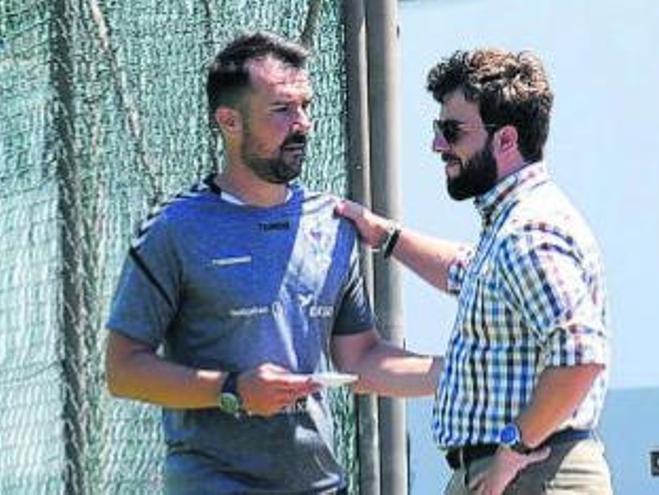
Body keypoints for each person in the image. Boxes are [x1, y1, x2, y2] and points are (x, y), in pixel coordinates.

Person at [104, 31, 441, 495]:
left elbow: (360, 359)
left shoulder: (333, 222)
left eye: (306, 105)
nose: (302, 123)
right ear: (229, 121)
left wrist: (461, 375)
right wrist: (233, 389)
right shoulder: (173, 229)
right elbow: (123, 371)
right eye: (282, 109)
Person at [336, 48, 613, 494]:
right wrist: (385, 237)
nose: (438, 146)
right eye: (438, 130)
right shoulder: (512, 228)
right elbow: (468, 270)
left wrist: (513, 452)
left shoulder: (529, 232)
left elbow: (581, 357)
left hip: (532, 476)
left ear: (505, 140)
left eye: (452, 132)